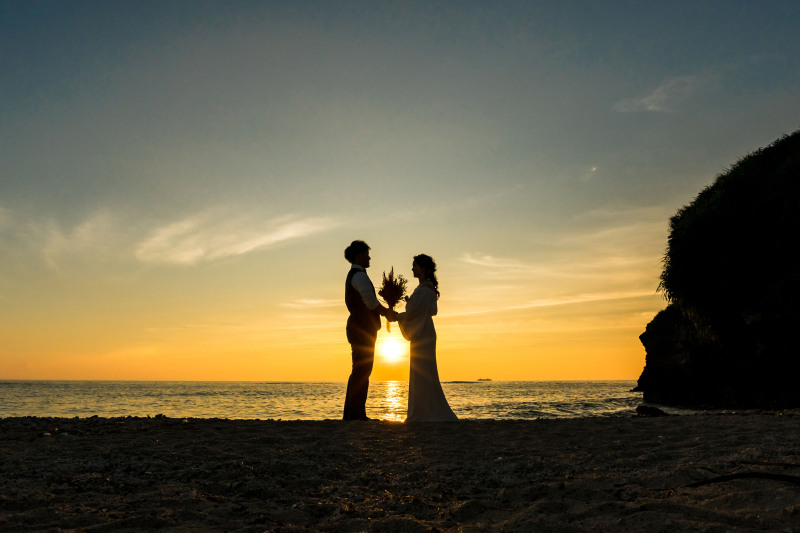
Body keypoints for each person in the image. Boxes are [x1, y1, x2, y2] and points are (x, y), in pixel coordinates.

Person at [397, 254, 458, 422]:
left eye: (415, 266)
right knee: (421, 370)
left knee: (423, 371)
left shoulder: (424, 290)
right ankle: (423, 409)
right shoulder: (425, 289)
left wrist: (397, 315)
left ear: (424, 268)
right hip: (423, 330)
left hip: (422, 331)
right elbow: (420, 309)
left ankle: (425, 411)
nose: (412, 269)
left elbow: (414, 312)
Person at [343, 240, 395, 421]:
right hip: (362, 329)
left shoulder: (355, 275)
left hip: (358, 328)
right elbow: (371, 303)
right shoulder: (359, 276)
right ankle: (356, 414)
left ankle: (352, 413)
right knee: (362, 370)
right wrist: (388, 312)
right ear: (359, 255)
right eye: (367, 254)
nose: (369, 257)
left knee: (360, 370)